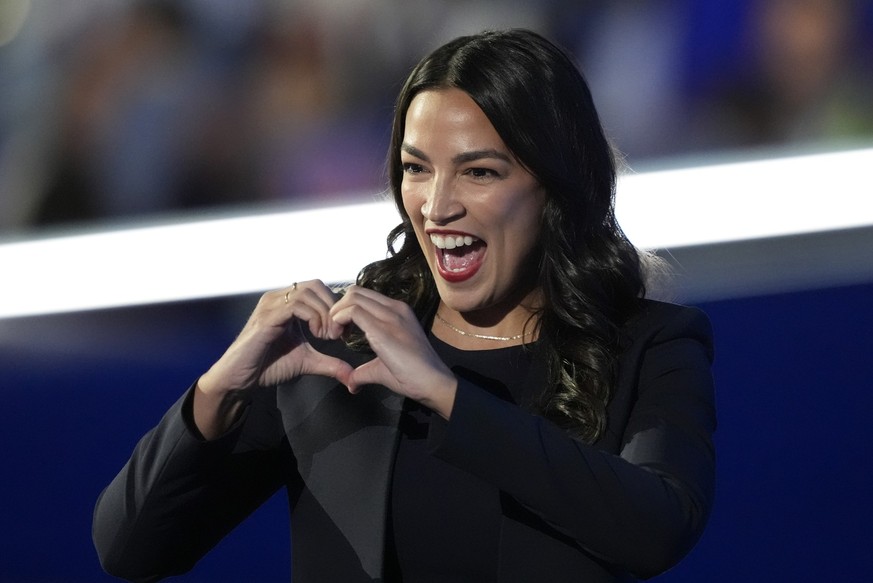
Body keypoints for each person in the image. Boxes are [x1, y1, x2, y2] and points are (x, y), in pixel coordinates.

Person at [93, 29, 716, 582]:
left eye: (480, 173)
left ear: (556, 186)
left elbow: (656, 528)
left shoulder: (649, 345)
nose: (437, 206)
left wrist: (447, 396)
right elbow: (131, 549)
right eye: (416, 169)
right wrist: (217, 392)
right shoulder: (336, 349)